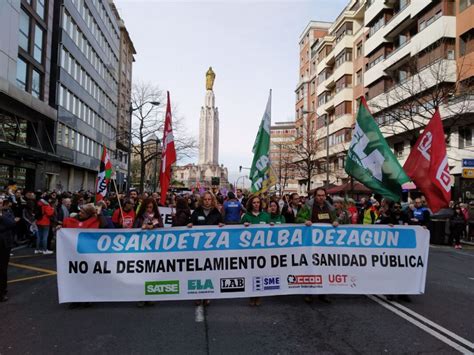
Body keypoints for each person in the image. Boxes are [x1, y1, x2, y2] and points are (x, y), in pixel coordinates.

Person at [298, 187, 337, 304]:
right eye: (319, 195)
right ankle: (308, 293)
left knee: (324, 268)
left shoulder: (330, 208)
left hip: (325, 244)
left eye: (323, 195)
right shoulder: (308, 207)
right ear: (315, 196)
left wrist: (336, 222)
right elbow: (298, 218)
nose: (321, 197)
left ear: (326, 196)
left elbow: (335, 220)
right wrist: (304, 221)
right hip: (311, 243)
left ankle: (323, 293)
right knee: (310, 268)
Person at [188, 192, 224, 306]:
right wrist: (189, 225)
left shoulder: (216, 212)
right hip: (198, 248)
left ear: (212, 200)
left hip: (211, 249)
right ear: (202, 200)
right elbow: (190, 222)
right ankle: (198, 295)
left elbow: (223, 224)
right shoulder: (196, 212)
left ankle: (208, 295)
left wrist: (222, 225)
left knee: (209, 271)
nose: (207, 201)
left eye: (209, 199)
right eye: (205, 199)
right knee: (198, 272)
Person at [241, 195, 271, 306]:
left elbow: (271, 232)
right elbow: (238, 232)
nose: (256, 204)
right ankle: (251, 295)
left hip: (262, 250)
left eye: (258, 202)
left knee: (260, 273)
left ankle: (258, 296)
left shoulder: (266, 216)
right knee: (250, 273)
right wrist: (243, 226)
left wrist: (272, 226)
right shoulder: (246, 216)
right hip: (249, 250)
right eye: (254, 202)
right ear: (250, 204)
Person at [0, 197, 17, 302]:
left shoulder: (7, 213)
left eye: (1, 203)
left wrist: (1, 217)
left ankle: (2, 292)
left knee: (2, 269)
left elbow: (12, 224)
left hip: (4, 245)